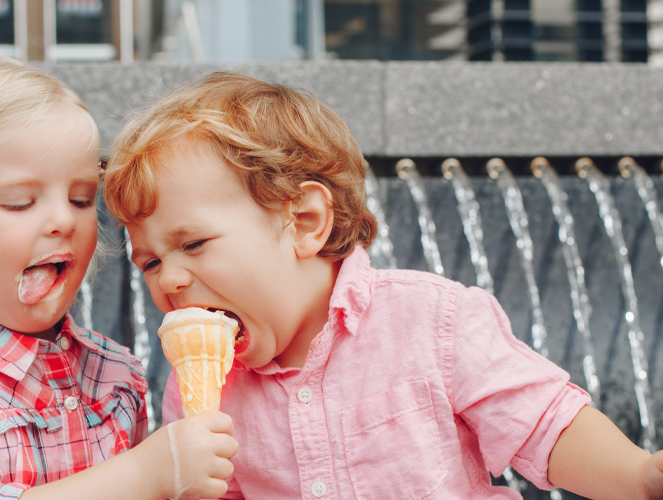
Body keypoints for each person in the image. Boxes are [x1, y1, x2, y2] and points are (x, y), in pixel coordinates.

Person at [101, 71, 663, 499]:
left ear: (303, 223)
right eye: (148, 262)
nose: (169, 280)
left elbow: (545, 425)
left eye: (193, 244)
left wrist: (637, 475)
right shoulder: (199, 392)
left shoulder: (433, 321)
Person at [0, 54, 236, 500]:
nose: (64, 221)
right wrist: (145, 473)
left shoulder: (114, 373)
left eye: (80, 199)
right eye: (20, 203)